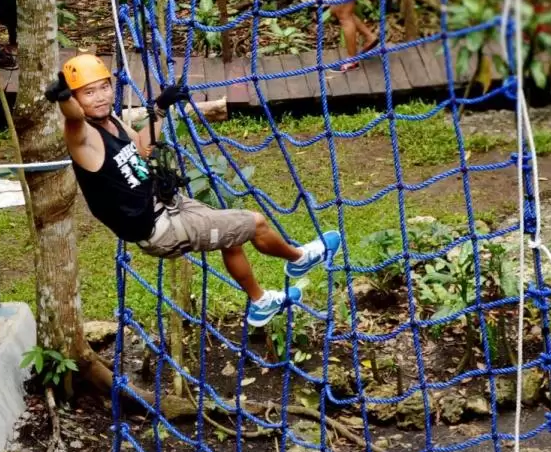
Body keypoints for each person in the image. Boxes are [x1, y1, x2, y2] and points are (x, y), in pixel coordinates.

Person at [44, 53, 340, 328]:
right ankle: (300, 259)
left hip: (169, 205)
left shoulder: (112, 121)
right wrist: (63, 97)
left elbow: (140, 148)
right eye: (88, 92)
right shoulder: (82, 137)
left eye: (103, 88)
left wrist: (160, 107)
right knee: (256, 223)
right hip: (161, 228)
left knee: (231, 237)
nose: (100, 97)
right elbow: (73, 117)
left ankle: (260, 302)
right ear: (77, 98)